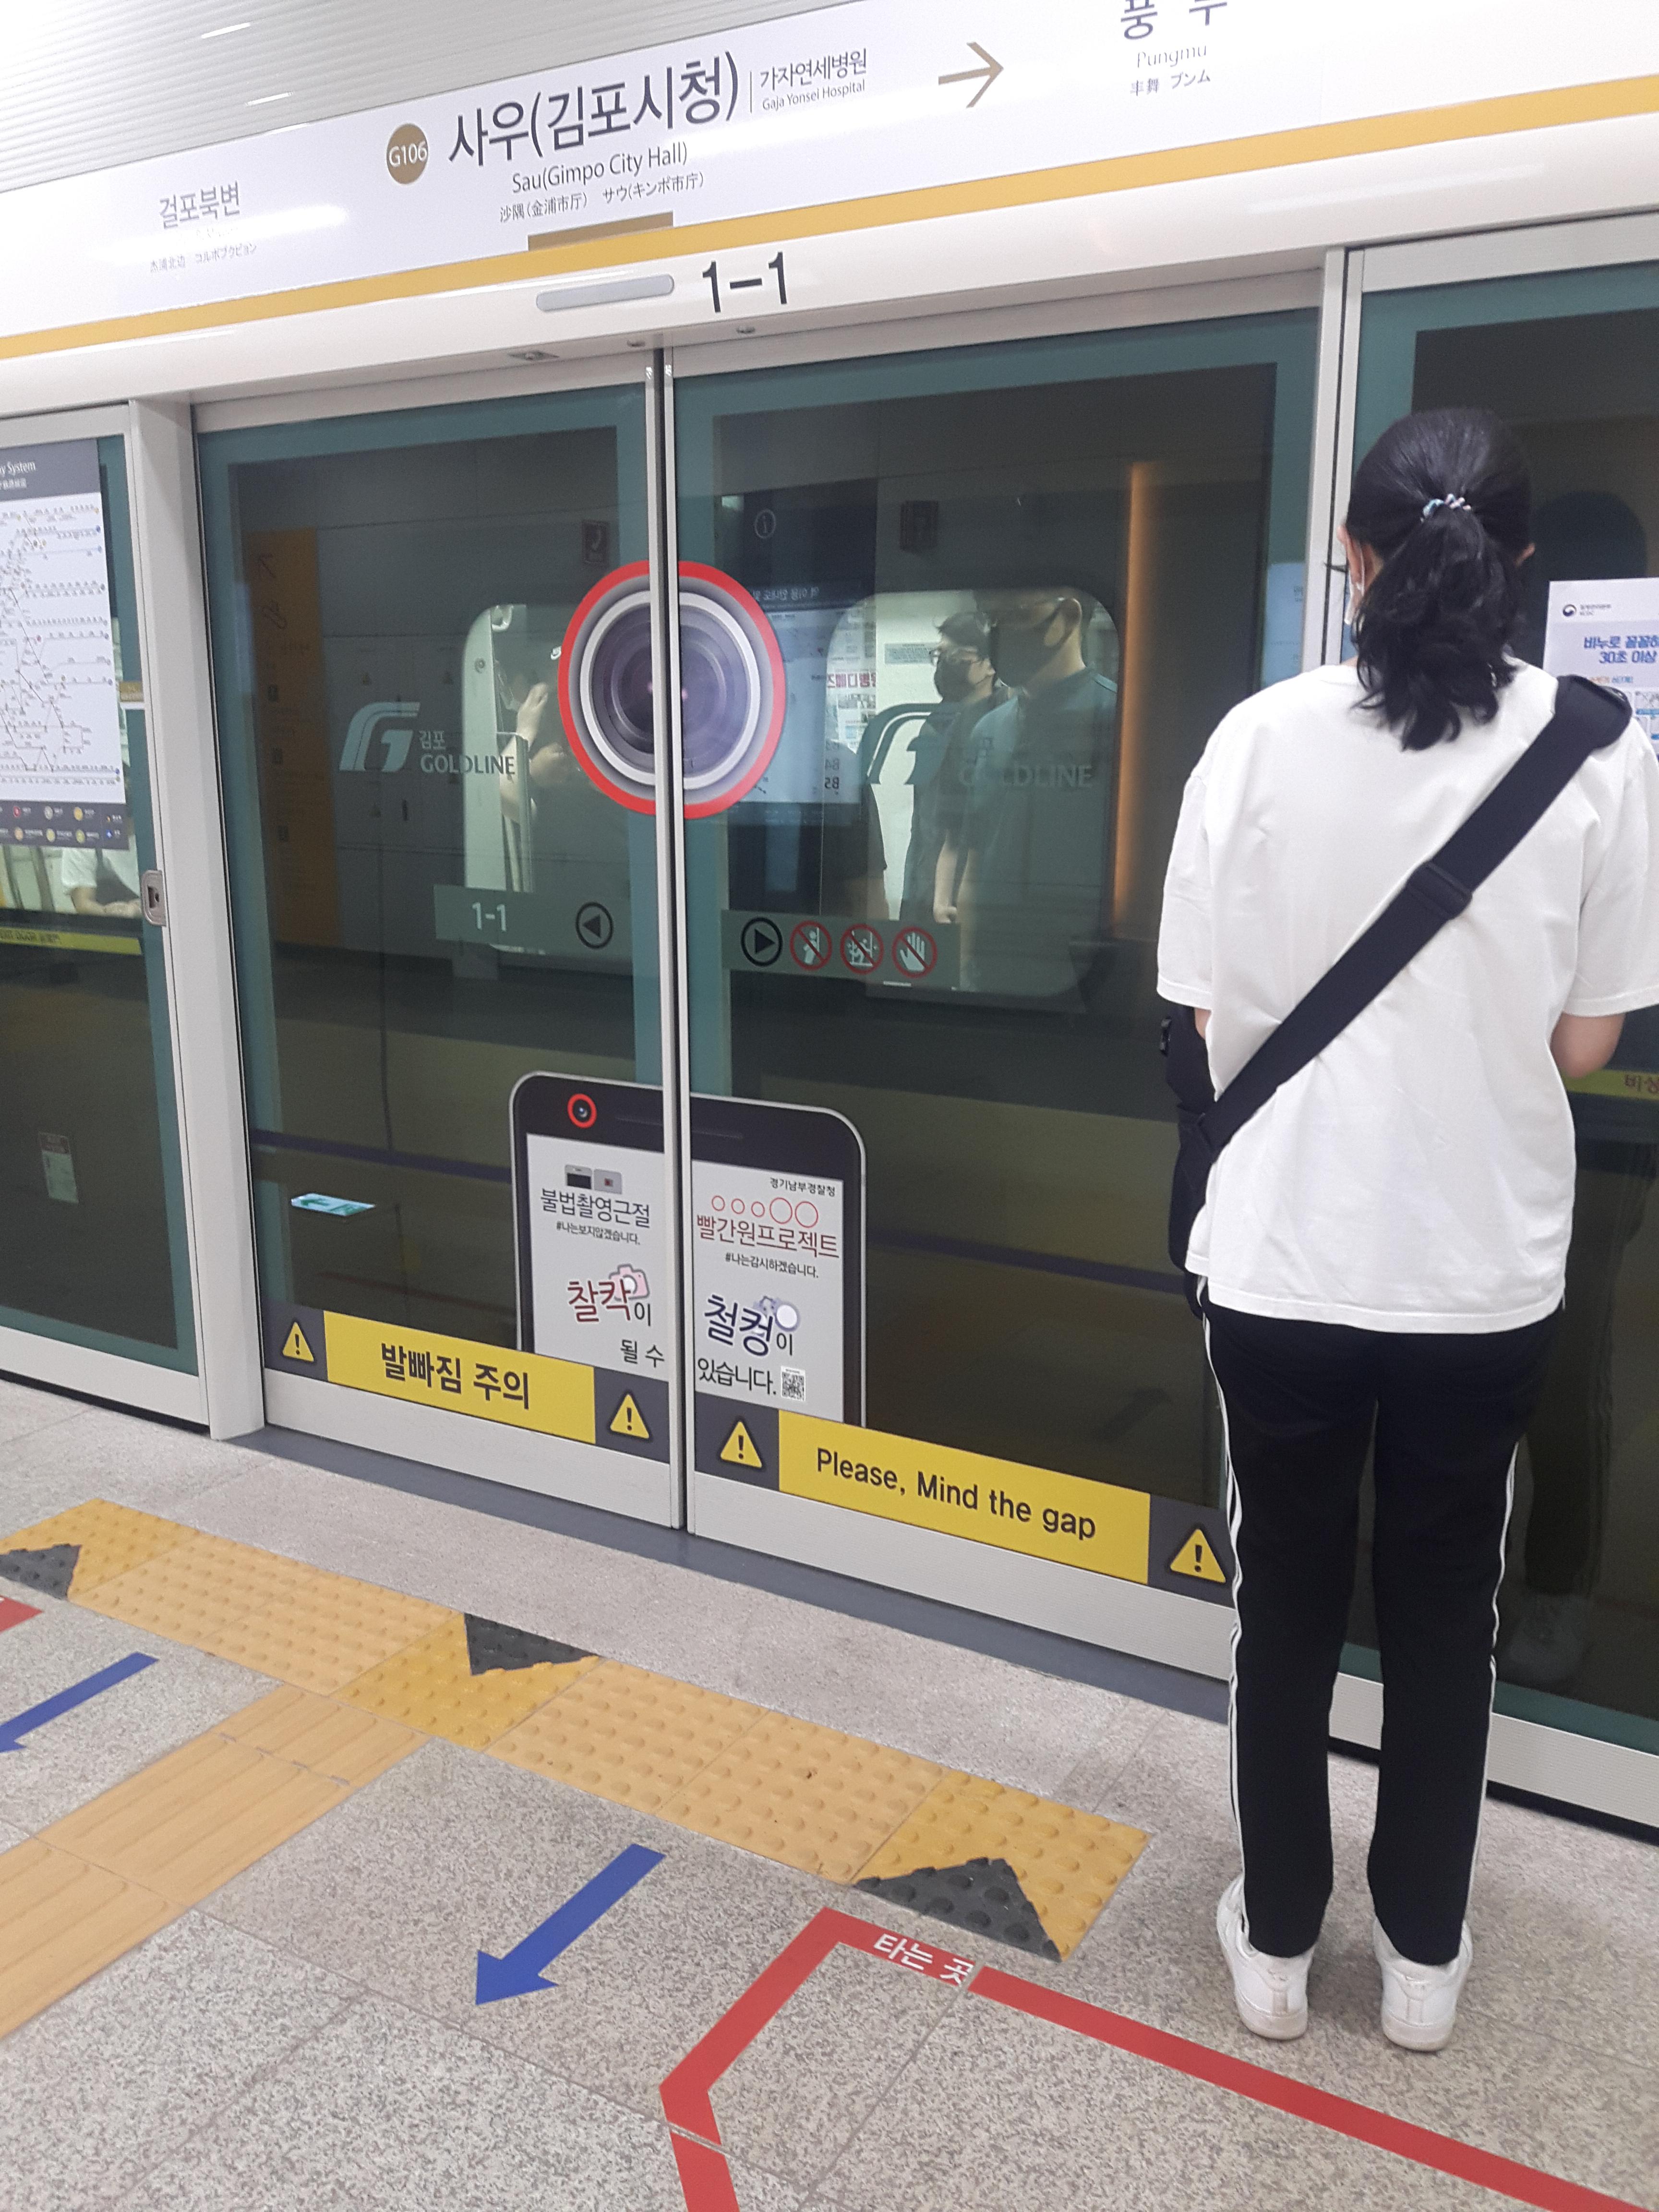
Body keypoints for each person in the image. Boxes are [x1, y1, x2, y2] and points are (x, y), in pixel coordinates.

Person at [1156, 409, 1659, 2053]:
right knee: (1451, 1612)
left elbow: (1200, 1015)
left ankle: (1277, 1944)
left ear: (1352, 558)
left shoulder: (1254, 737)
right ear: (1523, 563)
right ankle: (1425, 1961)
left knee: (1285, 1606)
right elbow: (1585, 1043)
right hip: (1478, 1273)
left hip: (1284, 1259)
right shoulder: (1599, 753)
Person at [956, 589, 1118, 998]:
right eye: (991, 617)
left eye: (1016, 614)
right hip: (994, 972)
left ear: (1067, 618)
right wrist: (964, 975)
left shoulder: (1116, 721)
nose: (999, 632)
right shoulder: (988, 731)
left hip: (1082, 982)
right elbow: (974, 862)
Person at [897, 612, 1004, 926]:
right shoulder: (935, 726)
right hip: (926, 890)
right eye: (941, 655)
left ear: (990, 665)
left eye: (957, 657)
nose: (946, 664)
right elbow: (925, 825)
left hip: (978, 897)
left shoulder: (1005, 728)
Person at [60, 838, 142, 918]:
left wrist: (140, 910)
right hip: (108, 924)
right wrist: (112, 913)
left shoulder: (147, 838)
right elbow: (83, 904)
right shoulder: (81, 840)